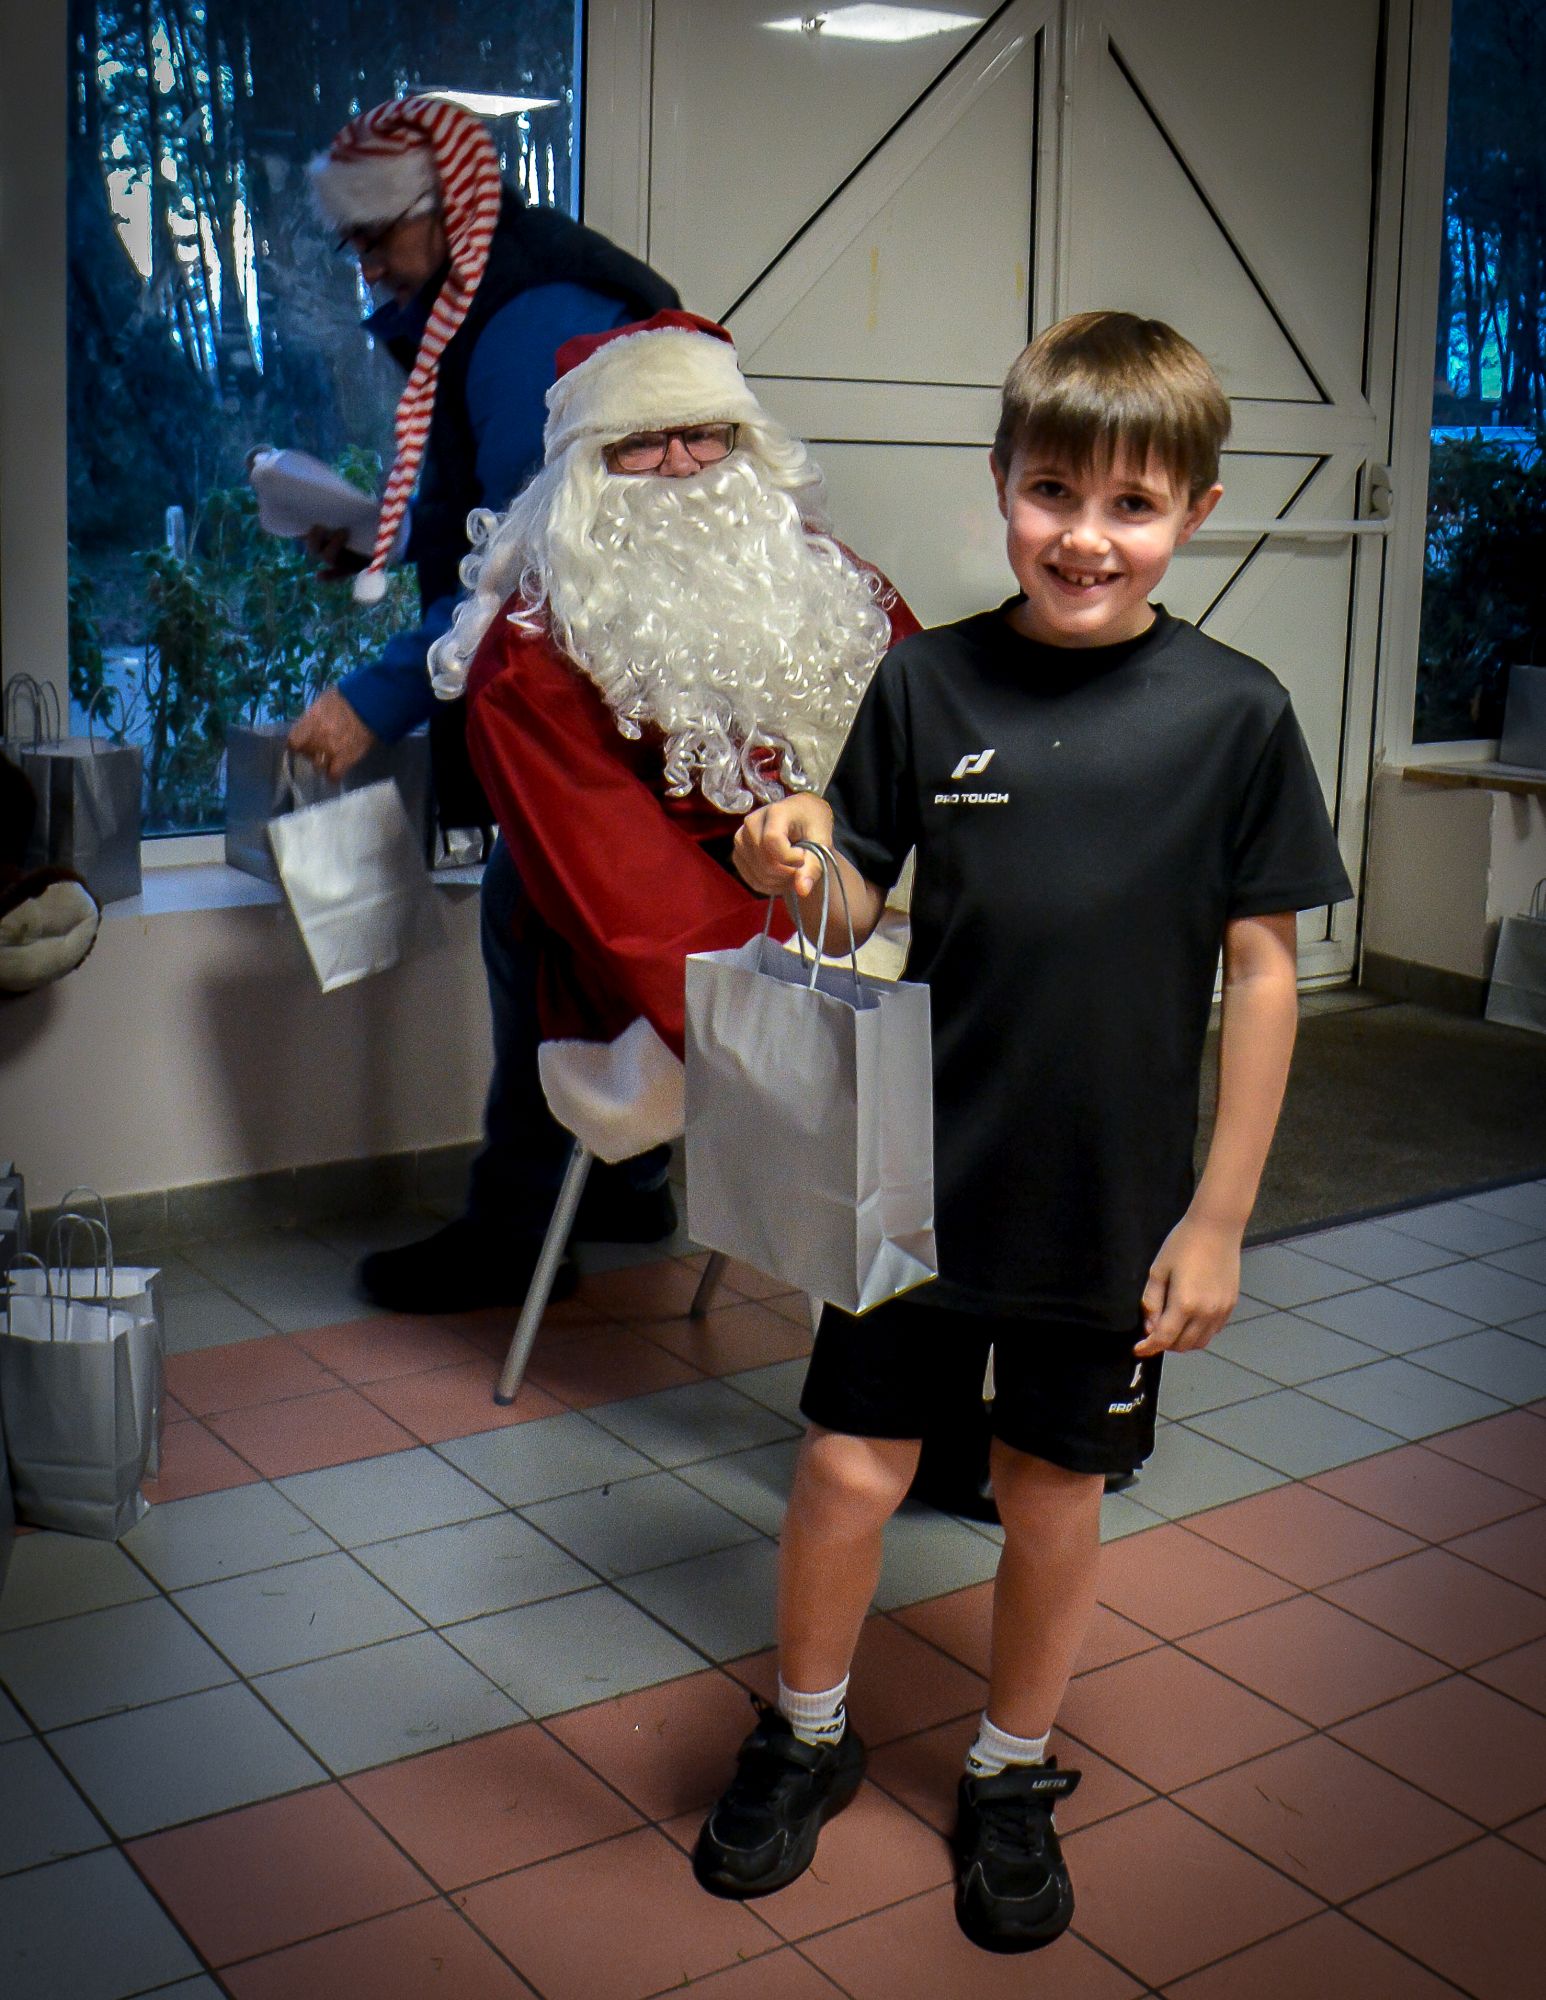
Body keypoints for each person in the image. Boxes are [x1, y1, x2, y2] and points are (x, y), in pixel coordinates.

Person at [697, 310, 1353, 1954]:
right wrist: (791, 854)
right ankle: (808, 1734)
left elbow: (1265, 977)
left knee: (1051, 1488)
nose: (1084, 536)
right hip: (915, 1173)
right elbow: (851, 903)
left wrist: (1217, 1218)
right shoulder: (927, 681)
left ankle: (1008, 1769)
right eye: (1052, 492)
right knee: (847, 1465)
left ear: (1194, 512)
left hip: (1108, 1205)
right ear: (1000, 482)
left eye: (1133, 505)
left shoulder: (1236, 714)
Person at [285, 95, 684, 1310]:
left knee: (535, 917)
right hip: (607, 669)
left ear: (446, 209)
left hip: (609, 681)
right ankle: (619, 1182)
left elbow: (522, 561)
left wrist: (375, 695)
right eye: (352, 245)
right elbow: (481, 498)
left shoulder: (530, 319)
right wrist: (379, 536)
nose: (367, 267)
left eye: (378, 238)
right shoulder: (491, 294)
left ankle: (518, 1228)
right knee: (558, 924)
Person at [425, 310, 917, 1106]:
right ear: (586, 469)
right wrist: (787, 1008)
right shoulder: (527, 662)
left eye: (704, 434)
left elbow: (925, 732)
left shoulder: (828, 583)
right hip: (639, 951)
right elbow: (629, 892)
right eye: (642, 443)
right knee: (557, 1146)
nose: (681, 465)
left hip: (830, 910)